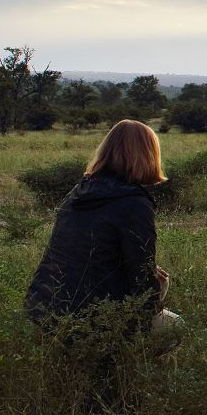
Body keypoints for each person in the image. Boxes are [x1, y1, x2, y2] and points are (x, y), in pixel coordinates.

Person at [24, 118, 179, 334]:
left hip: (41, 308)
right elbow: (140, 272)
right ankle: (120, 361)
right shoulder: (134, 203)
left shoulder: (79, 192)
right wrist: (153, 304)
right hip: (90, 317)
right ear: (148, 155)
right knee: (175, 326)